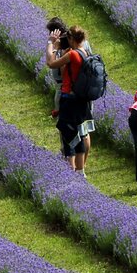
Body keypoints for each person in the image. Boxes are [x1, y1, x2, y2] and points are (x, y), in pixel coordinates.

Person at [46, 17, 94, 167]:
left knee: (68, 133)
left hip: (69, 95)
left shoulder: (71, 52)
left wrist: (51, 44)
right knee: (83, 131)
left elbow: (52, 64)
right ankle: (81, 168)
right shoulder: (85, 47)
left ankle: (73, 168)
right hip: (83, 95)